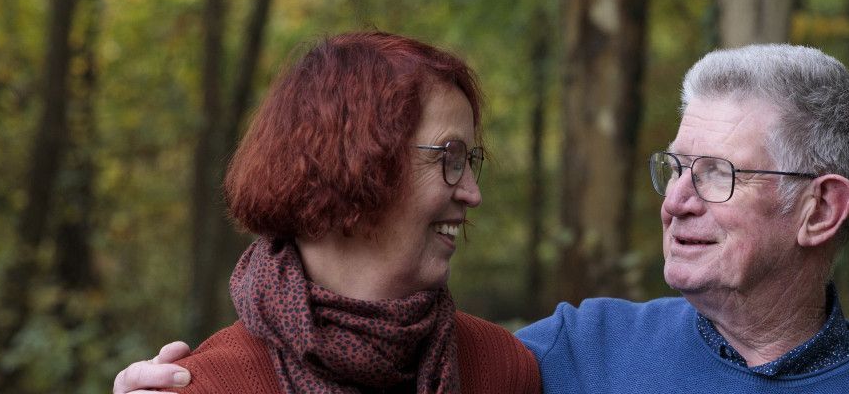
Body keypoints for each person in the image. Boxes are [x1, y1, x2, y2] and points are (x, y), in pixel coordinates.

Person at [117, 43, 849, 393]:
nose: (676, 197)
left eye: (718, 173)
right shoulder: (574, 356)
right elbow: (364, 349)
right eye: (675, 167)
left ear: (822, 209)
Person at [113, 31, 541, 393]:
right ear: (352, 161)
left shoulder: (500, 367)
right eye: (449, 156)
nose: (472, 192)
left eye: (470, 160)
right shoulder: (206, 385)